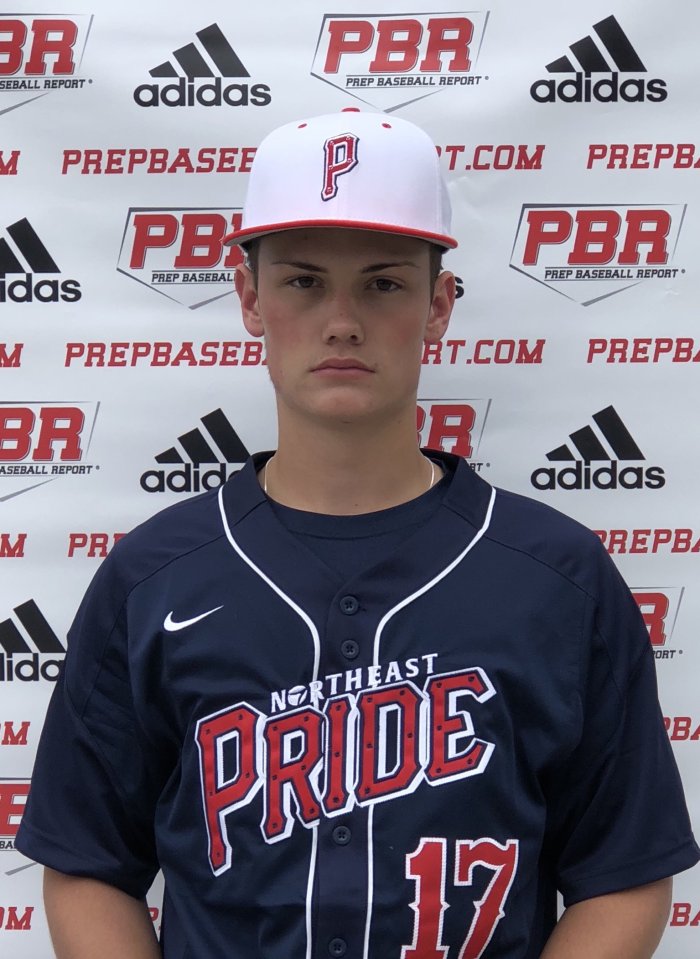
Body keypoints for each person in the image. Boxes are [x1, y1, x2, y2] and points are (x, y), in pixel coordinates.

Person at [17, 111, 699, 959]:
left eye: (382, 284)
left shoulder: (559, 575)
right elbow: (87, 863)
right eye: (304, 281)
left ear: (438, 305)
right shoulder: (154, 576)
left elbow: (623, 870)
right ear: (250, 299)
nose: (341, 320)